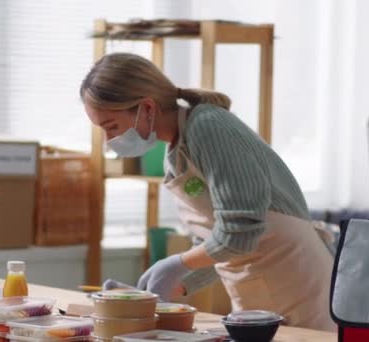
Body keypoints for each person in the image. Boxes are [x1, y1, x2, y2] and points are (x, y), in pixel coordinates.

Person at [80, 53, 336, 331]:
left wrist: (177, 263)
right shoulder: (176, 154)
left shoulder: (208, 126)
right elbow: (216, 245)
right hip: (257, 297)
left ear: (147, 108)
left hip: (299, 291)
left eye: (111, 127)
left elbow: (240, 232)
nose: (109, 141)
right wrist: (154, 292)